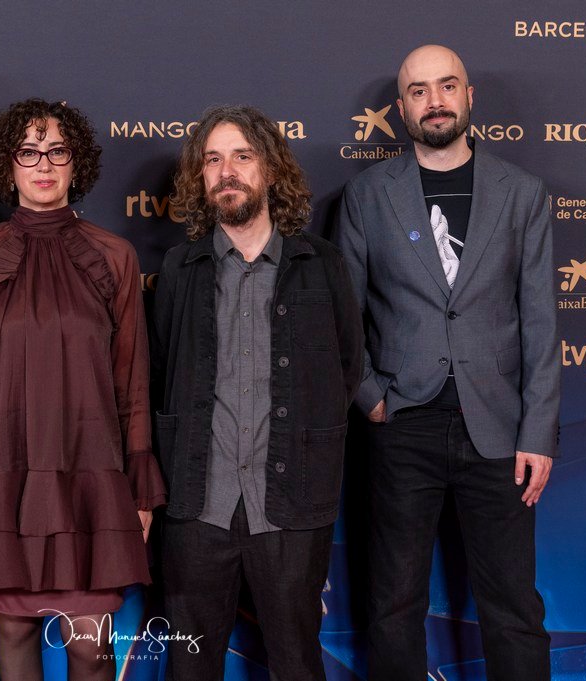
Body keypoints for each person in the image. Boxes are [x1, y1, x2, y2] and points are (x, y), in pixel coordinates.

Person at [333, 45, 558, 681]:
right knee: (394, 603)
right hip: (403, 423)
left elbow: (541, 322)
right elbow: (344, 315)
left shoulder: (523, 194)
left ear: (468, 96)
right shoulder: (367, 196)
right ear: (401, 108)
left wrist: (538, 432)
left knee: (513, 607)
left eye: (447, 86)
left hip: (500, 430)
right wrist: (372, 397)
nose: (434, 101)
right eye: (418, 91)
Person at [0, 98, 166, 681]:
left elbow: (132, 381)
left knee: (89, 645)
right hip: (2, 472)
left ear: (75, 163)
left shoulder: (115, 256)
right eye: (29, 152)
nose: (44, 164)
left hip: (93, 475)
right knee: (14, 629)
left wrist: (138, 485)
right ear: (8, 166)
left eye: (57, 151)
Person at [152, 105, 363, 681]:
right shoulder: (180, 268)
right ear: (200, 176)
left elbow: (346, 370)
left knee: (297, 664)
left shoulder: (322, 264)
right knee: (191, 669)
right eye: (212, 160)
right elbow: (161, 374)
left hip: (292, 502)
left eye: (242, 157)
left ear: (269, 168)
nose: (227, 172)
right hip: (197, 504)